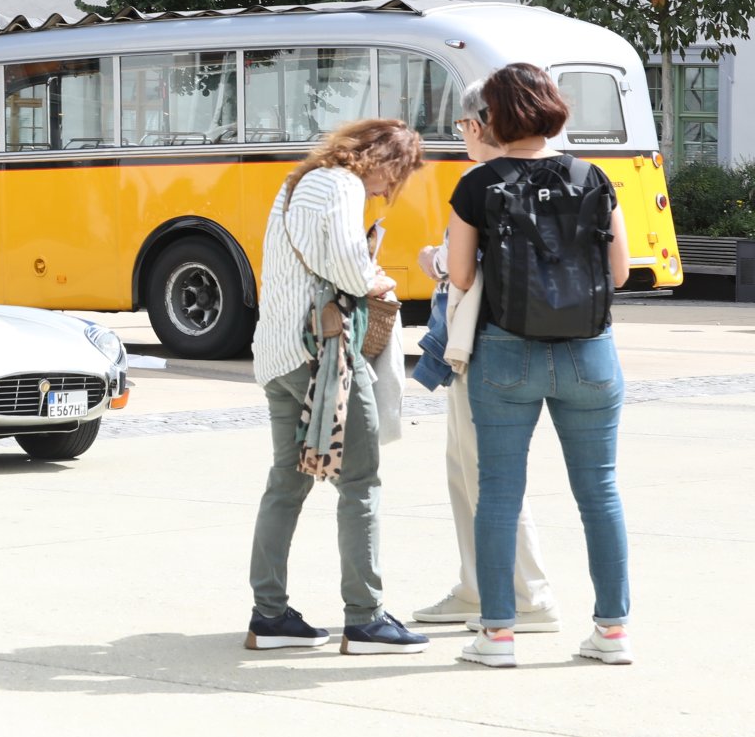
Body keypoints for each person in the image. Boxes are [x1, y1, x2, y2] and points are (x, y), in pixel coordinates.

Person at [447, 63, 633, 668]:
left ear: (493, 117)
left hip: (506, 351)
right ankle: (612, 632)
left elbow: (461, 274)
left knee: (499, 493)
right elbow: (621, 270)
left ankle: (498, 635)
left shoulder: (479, 184)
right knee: (599, 491)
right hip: (590, 352)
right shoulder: (592, 176)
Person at [246, 118, 430, 656]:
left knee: (285, 484)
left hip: (277, 354)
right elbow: (351, 273)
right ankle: (366, 620)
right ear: (384, 160)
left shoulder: (298, 182)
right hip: (324, 358)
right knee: (361, 482)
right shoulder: (345, 186)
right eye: (394, 178)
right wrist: (379, 277)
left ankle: (269, 615)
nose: (386, 192)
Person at [412, 81, 560, 633]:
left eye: (462, 125)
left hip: (485, 346)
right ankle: (479, 586)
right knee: (469, 470)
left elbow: (461, 268)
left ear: (479, 124)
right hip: (547, 341)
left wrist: (434, 259)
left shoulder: (480, 182)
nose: (463, 135)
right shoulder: (567, 173)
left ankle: (526, 595)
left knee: (486, 475)